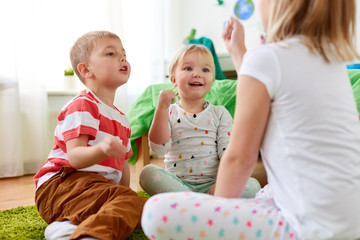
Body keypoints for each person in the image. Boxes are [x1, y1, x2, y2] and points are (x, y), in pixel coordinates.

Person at [141, 0, 360, 239]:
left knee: (154, 213)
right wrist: (237, 50)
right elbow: (264, 83)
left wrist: (217, 213)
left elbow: (238, 159)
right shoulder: (331, 61)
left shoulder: (267, 59)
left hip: (307, 228)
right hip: (348, 219)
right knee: (265, 191)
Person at [33, 31, 147, 240]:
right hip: (61, 185)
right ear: (86, 70)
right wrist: (103, 149)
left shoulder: (122, 119)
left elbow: (123, 167)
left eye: (124, 54)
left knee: (140, 206)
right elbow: (75, 157)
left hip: (95, 190)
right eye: (111, 54)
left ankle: (66, 228)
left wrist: (122, 194)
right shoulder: (83, 105)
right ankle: (88, 235)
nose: (123, 58)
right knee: (131, 203)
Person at [139, 44, 260, 197]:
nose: (197, 74)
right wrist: (161, 108)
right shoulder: (168, 111)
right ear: (173, 79)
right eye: (188, 68)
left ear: (212, 81)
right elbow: (159, 148)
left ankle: (192, 204)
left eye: (205, 70)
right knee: (147, 173)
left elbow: (227, 153)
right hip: (177, 184)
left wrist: (223, 183)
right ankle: (199, 203)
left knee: (253, 185)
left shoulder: (220, 113)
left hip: (214, 186)